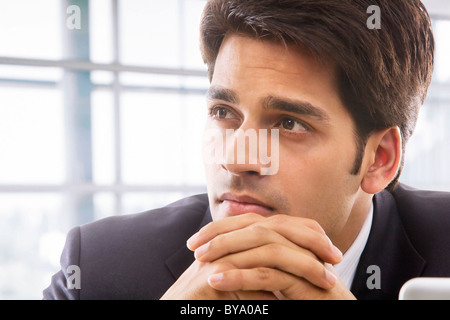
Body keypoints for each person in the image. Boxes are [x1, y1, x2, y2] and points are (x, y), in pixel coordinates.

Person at [43, 0, 450, 300]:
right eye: (223, 112)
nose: (236, 158)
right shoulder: (100, 268)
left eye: (289, 123)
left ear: (379, 159)